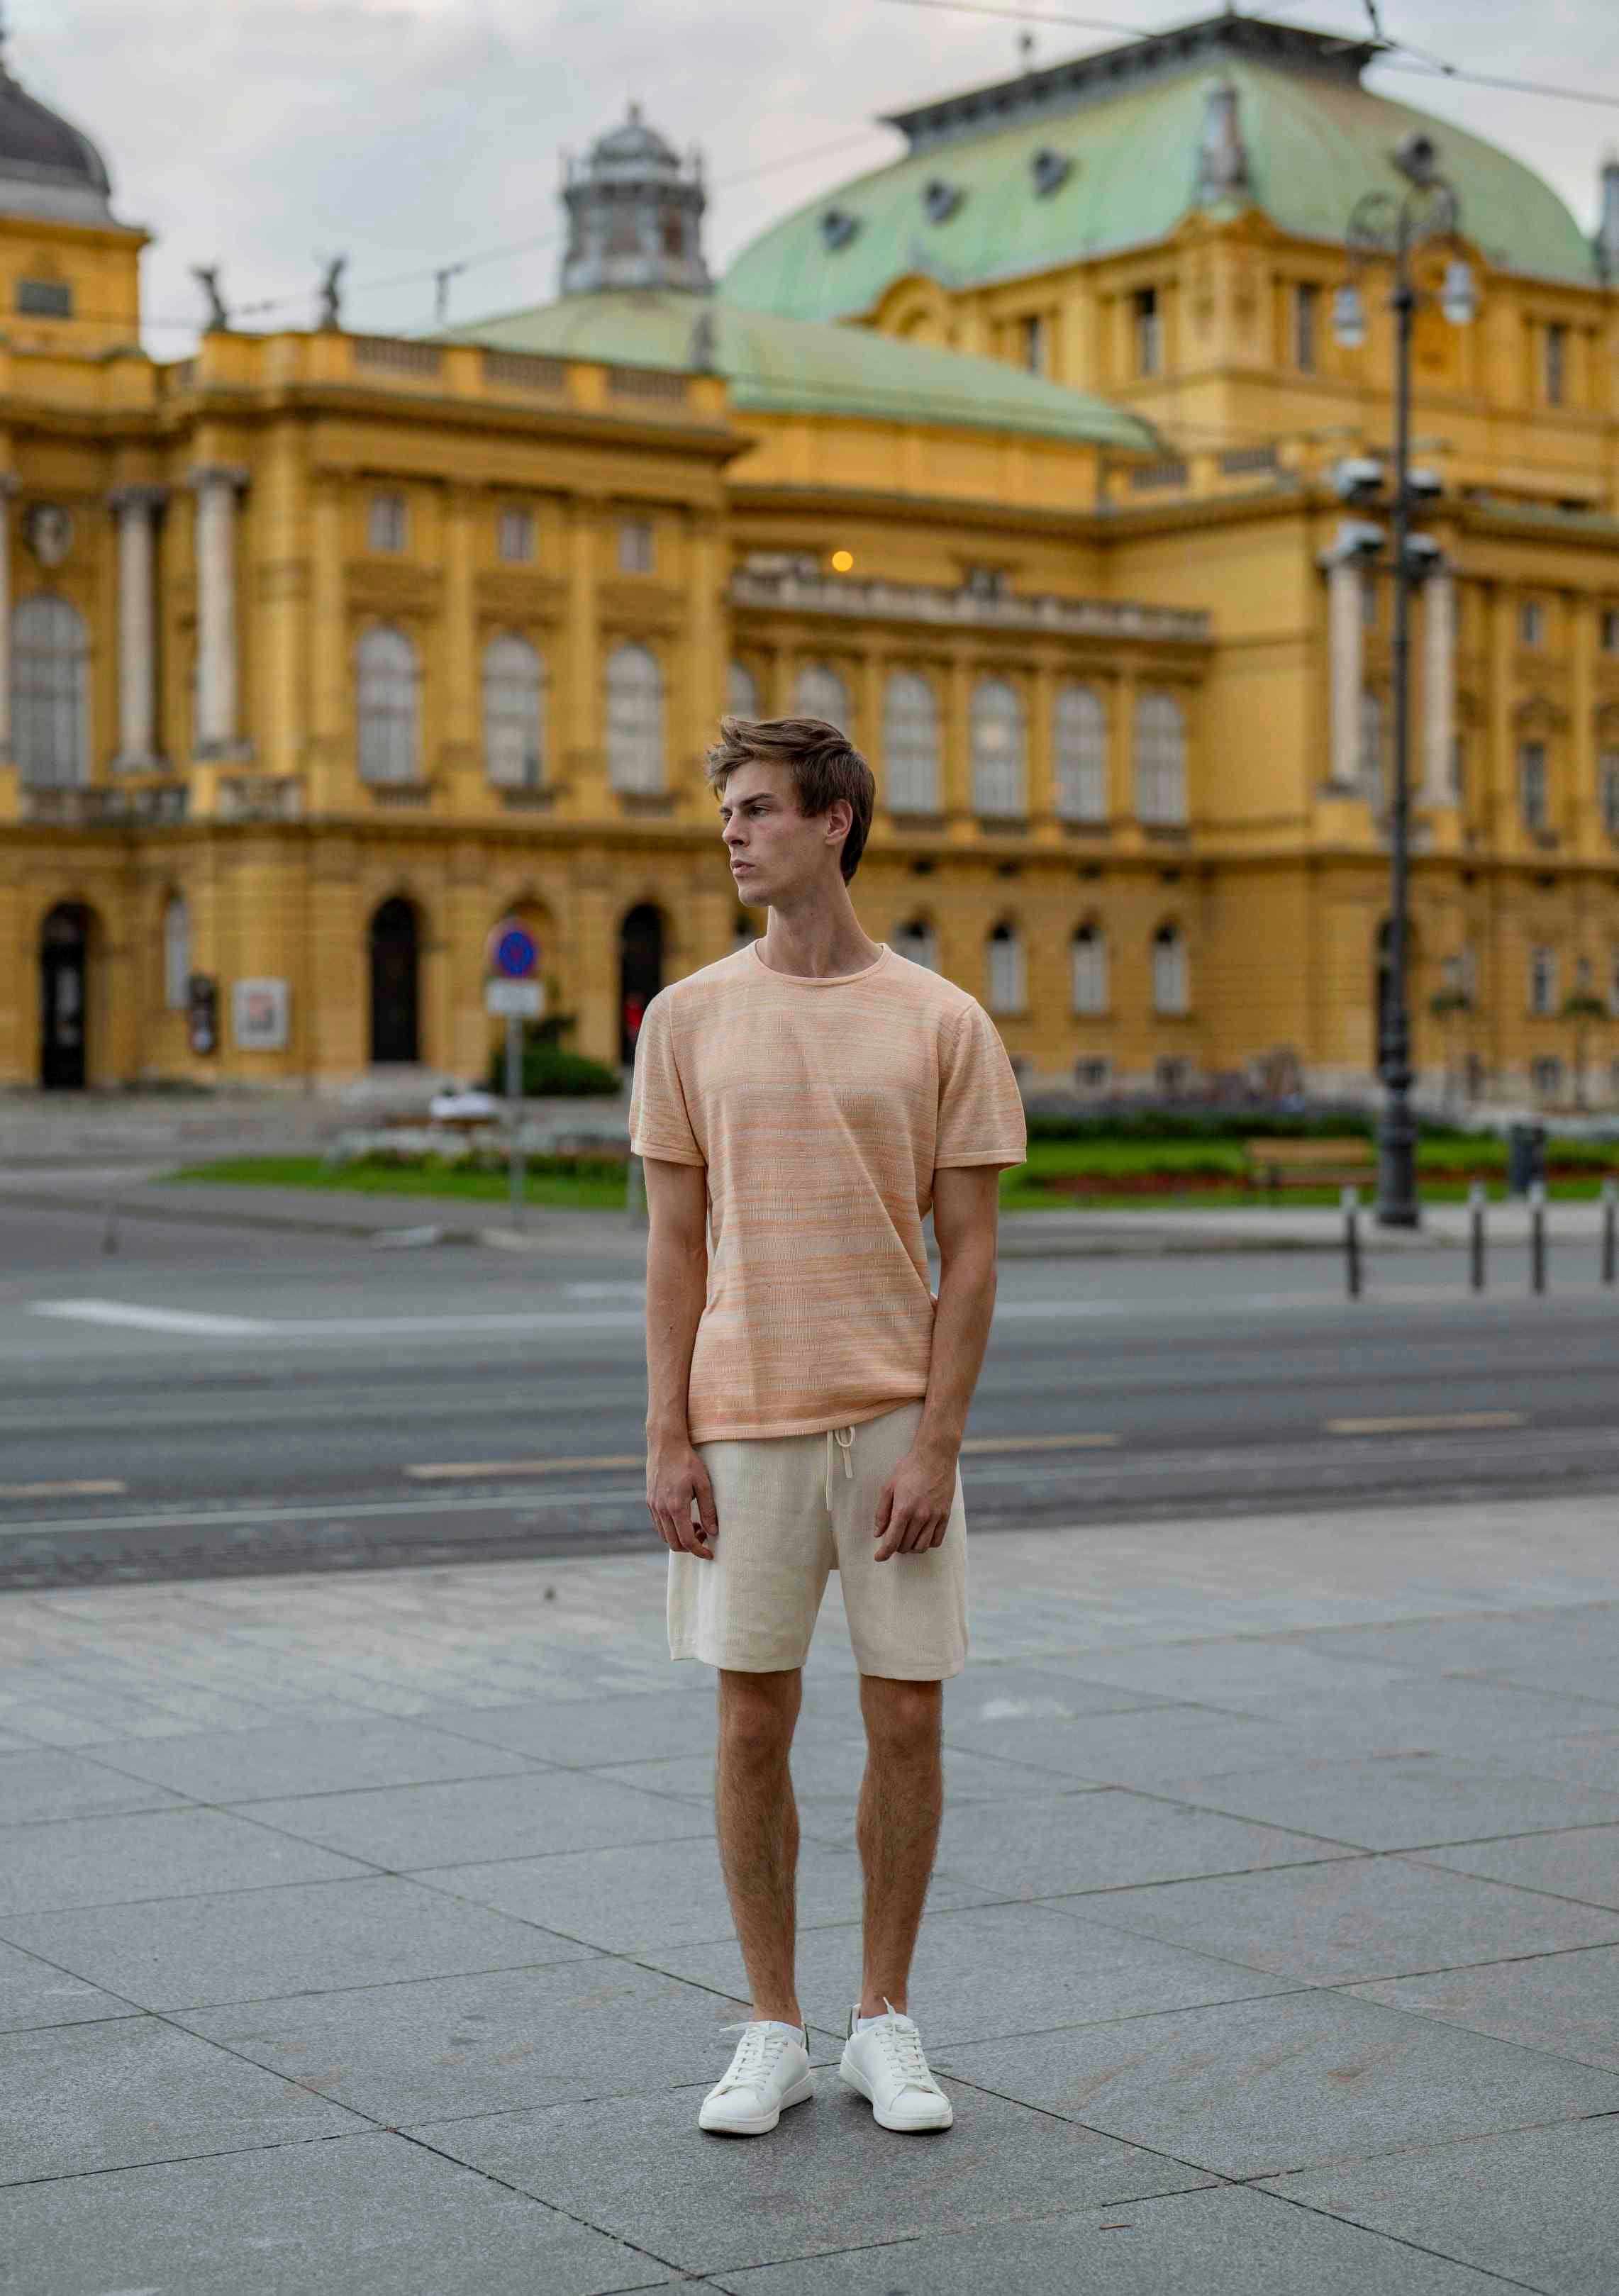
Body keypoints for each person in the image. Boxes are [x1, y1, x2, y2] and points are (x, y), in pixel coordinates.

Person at [629, 713, 1026, 2139]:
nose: (732, 833)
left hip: (891, 1422)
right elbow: (674, 1245)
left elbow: (970, 1254)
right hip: (740, 1420)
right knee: (751, 1720)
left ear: (832, 821)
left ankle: (881, 2019)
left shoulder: (941, 1019)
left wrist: (939, 1442)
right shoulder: (685, 1018)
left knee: (906, 1715)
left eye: (755, 809)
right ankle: (770, 2026)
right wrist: (665, 1433)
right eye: (727, 811)